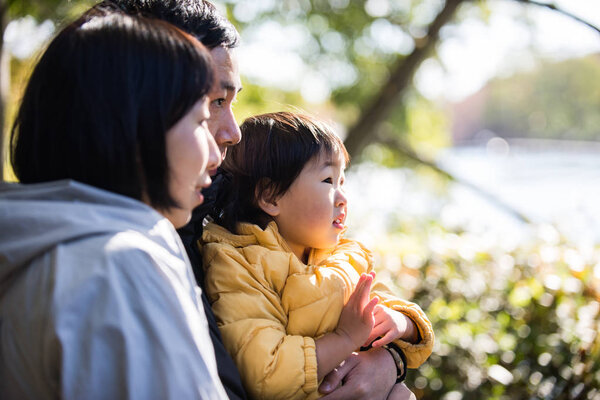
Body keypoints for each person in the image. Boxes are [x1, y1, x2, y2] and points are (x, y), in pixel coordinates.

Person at [101, 1, 418, 399]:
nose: (231, 132)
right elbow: (259, 372)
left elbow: (388, 313)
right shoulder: (220, 250)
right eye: (213, 104)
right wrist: (347, 343)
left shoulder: (209, 208)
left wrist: (388, 360)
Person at [0, 6, 227, 399]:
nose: (214, 152)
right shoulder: (124, 265)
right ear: (136, 126)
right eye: (199, 119)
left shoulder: (28, 250)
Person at [200, 112, 435, 399]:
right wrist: (345, 339)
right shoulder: (237, 264)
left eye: (342, 181)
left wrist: (403, 324)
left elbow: (387, 306)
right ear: (271, 196)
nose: (343, 197)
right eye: (327, 180)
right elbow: (267, 371)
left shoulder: (342, 256)